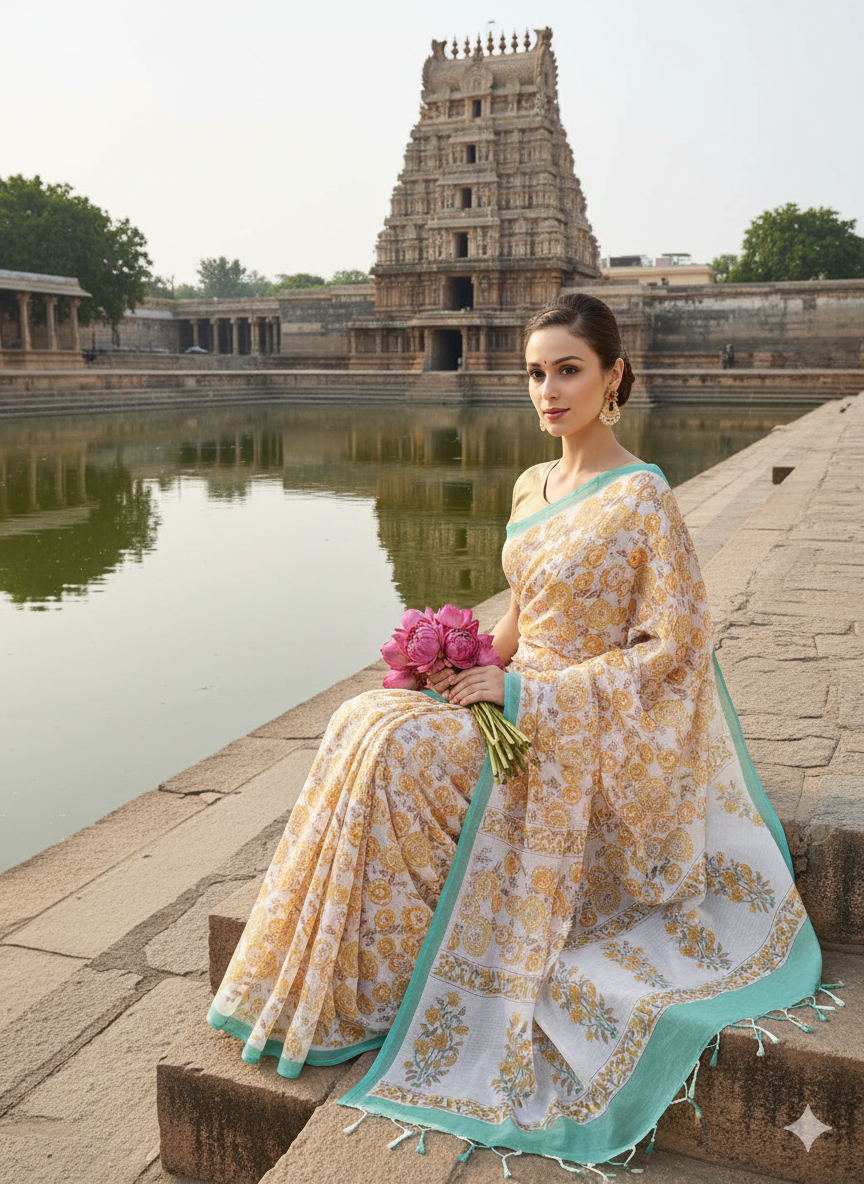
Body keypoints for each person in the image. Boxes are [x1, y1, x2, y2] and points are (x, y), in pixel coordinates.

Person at [208, 293, 822, 1170]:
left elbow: (675, 652)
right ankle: (350, 982)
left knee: (402, 749)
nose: (548, 391)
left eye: (568, 370)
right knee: (364, 718)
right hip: (511, 694)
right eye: (536, 373)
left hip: (576, 729)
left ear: (613, 376)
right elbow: (522, 620)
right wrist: (451, 662)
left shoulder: (644, 496)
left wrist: (532, 695)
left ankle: (381, 987)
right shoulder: (531, 484)